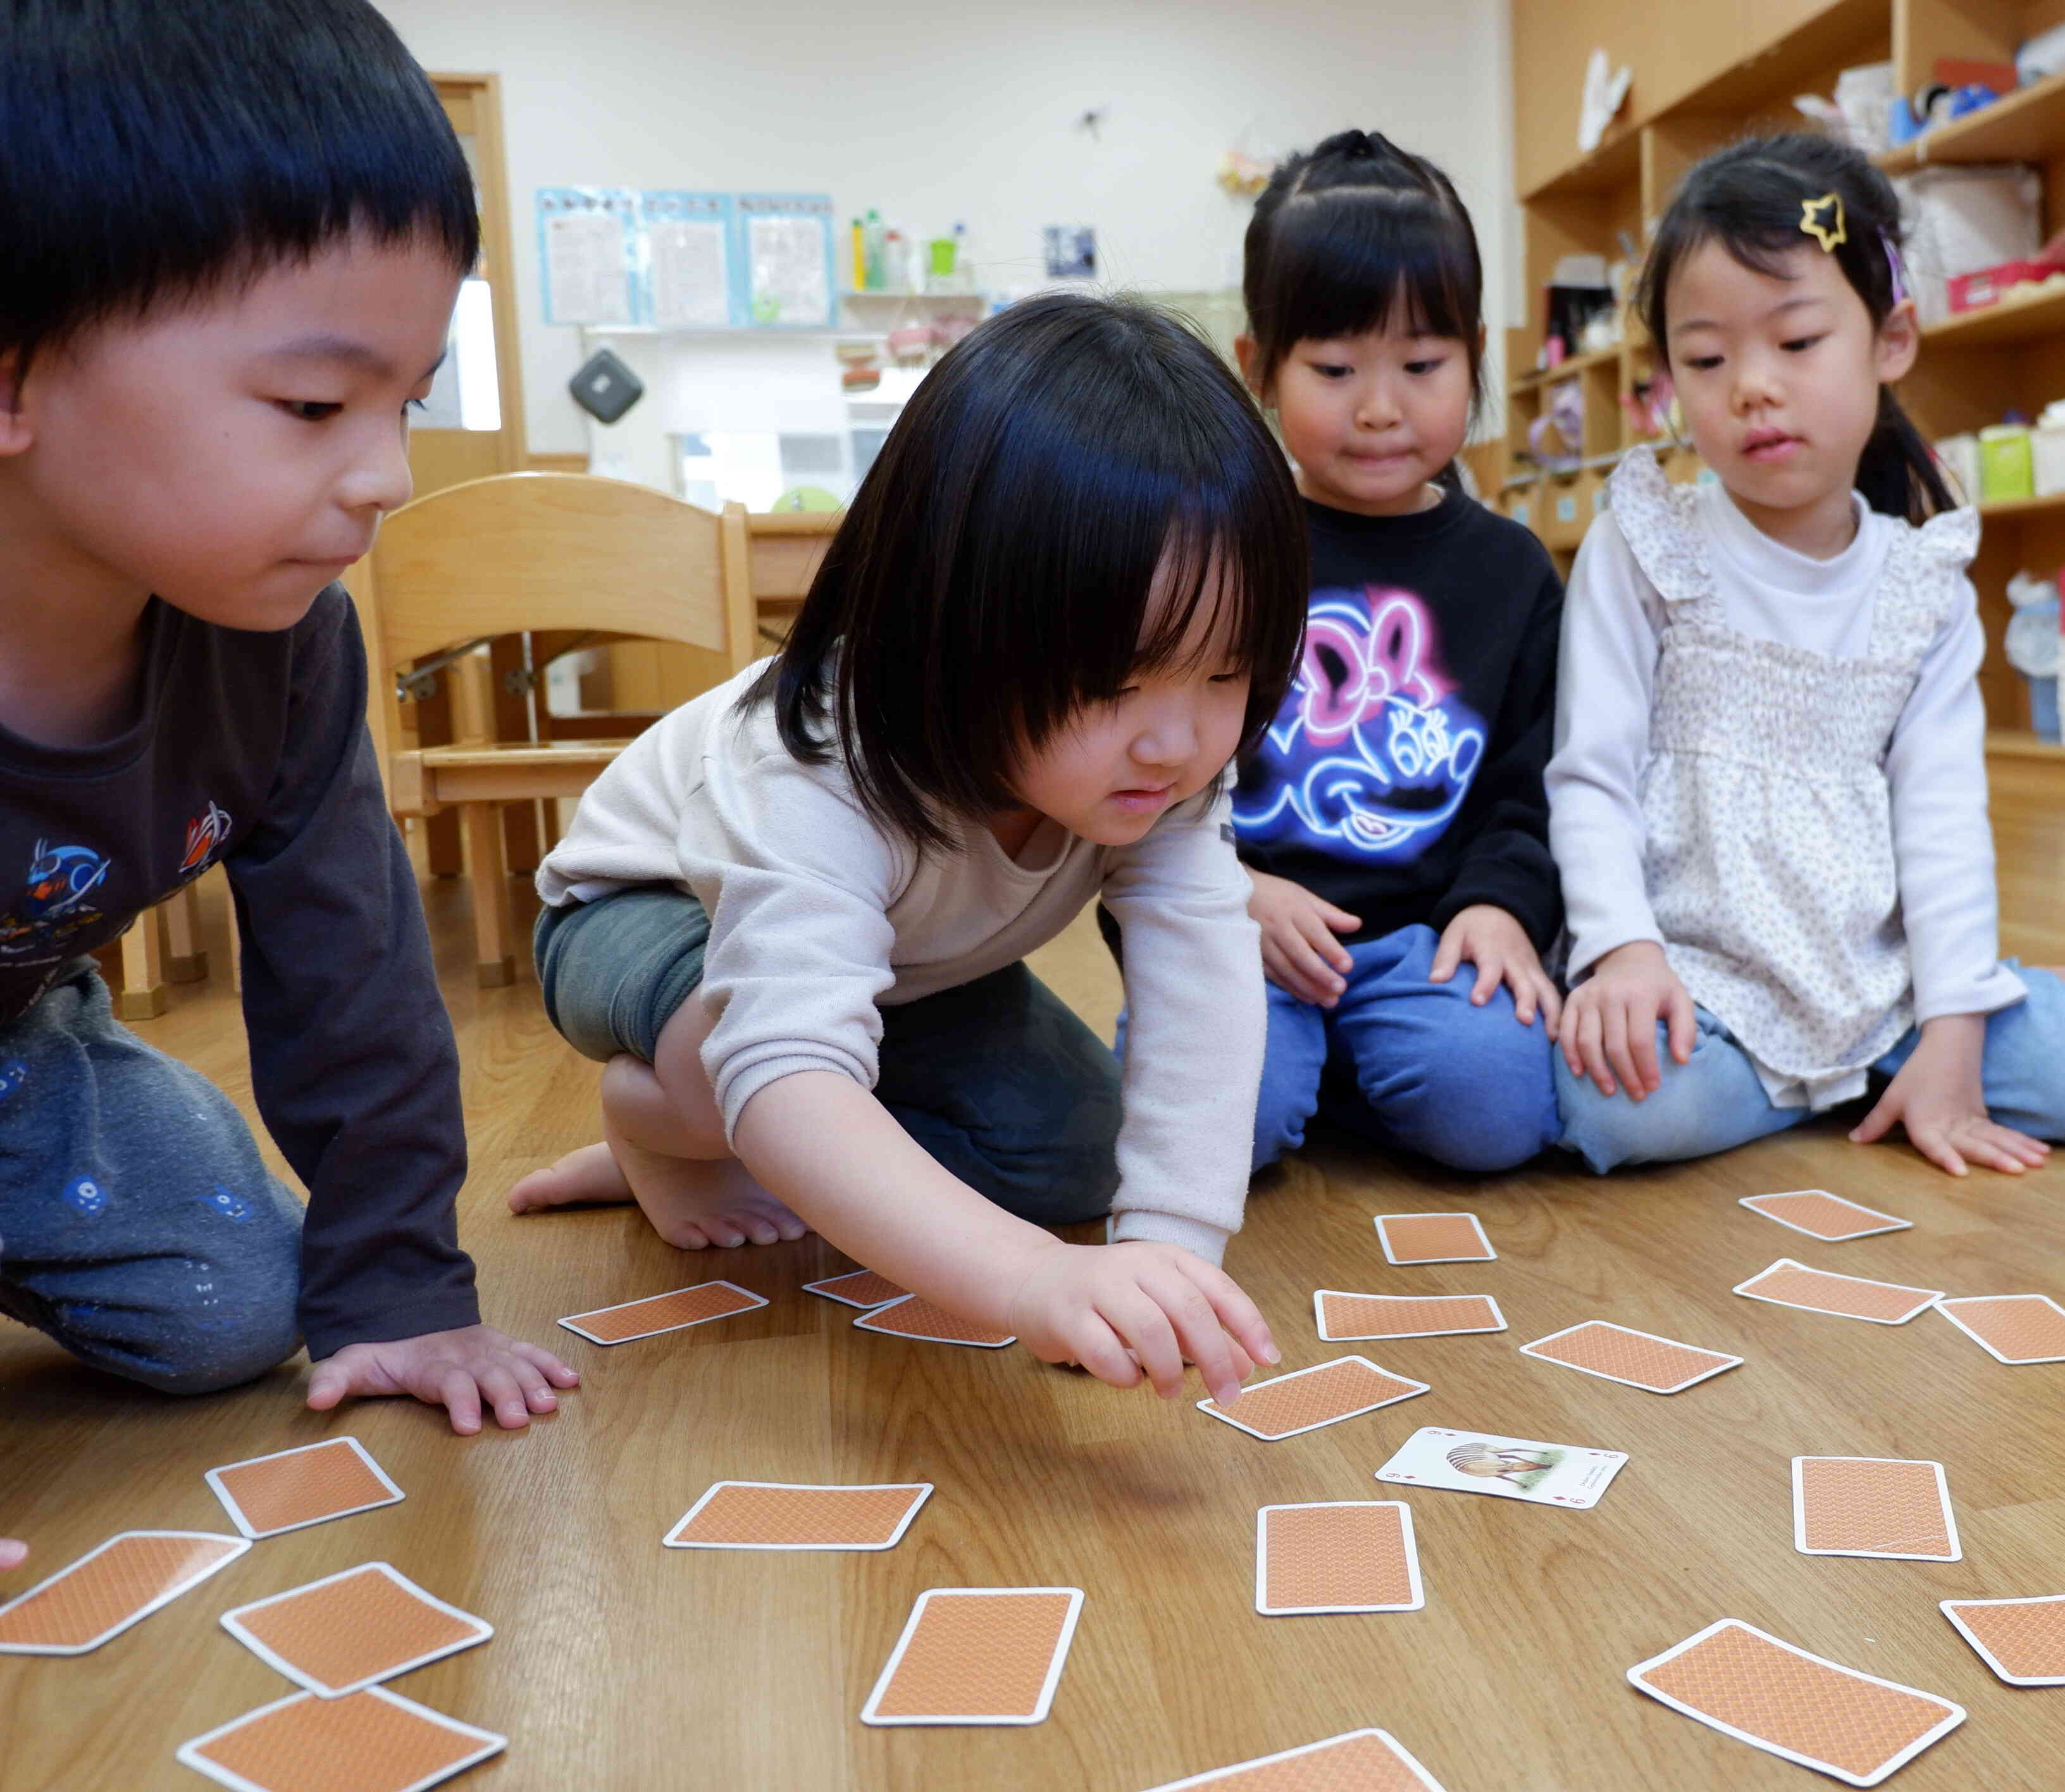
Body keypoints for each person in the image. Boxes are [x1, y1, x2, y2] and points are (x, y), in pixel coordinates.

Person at [511, 294, 1303, 1404]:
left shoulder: (1162, 768)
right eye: (1115, 684)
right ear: (958, 625)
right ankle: (662, 1123)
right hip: (641, 913)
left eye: (1226, 671)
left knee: (1076, 1146)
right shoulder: (818, 758)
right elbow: (787, 1059)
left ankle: (746, 1135)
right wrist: (1032, 1280)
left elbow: (1202, 978)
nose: (1178, 742)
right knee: (740, 1063)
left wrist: (1169, 1254)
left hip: (910, 970)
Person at [0, 0, 576, 1433]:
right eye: (317, 405)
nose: (385, 475)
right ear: (12, 376)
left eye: (410, 401)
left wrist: (401, 1295)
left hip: (18, 1051)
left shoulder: (287, 651)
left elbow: (352, 965)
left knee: (229, 1311)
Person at [1545, 134, 2065, 1176]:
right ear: (1667, 384)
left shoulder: (1920, 586)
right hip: (1703, 975)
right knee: (1623, 1114)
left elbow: (1942, 814)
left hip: (1886, 984)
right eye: (1706, 360)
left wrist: (1957, 1026)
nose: (1751, 387)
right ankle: (1820, 1080)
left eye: (1795, 342)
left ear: (1891, 340)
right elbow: (1590, 774)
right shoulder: (1647, 543)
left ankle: (1891, 1060)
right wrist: (1620, 949)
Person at [1198, 130, 1564, 1174]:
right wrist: (1230, 895)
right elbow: (1145, 778)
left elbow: (1532, 786)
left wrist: (1500, 907)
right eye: (1334, 366)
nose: (1379, 406)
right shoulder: (1214, 550)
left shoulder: (1513, 573)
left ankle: (1355, 1064)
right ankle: (1306, 1067)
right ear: (1257, 367)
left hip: (1430, 943)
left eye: (1421, 364)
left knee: (1493, 1112)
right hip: (1241, 934)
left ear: (1476, 360)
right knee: (1226, 1132)